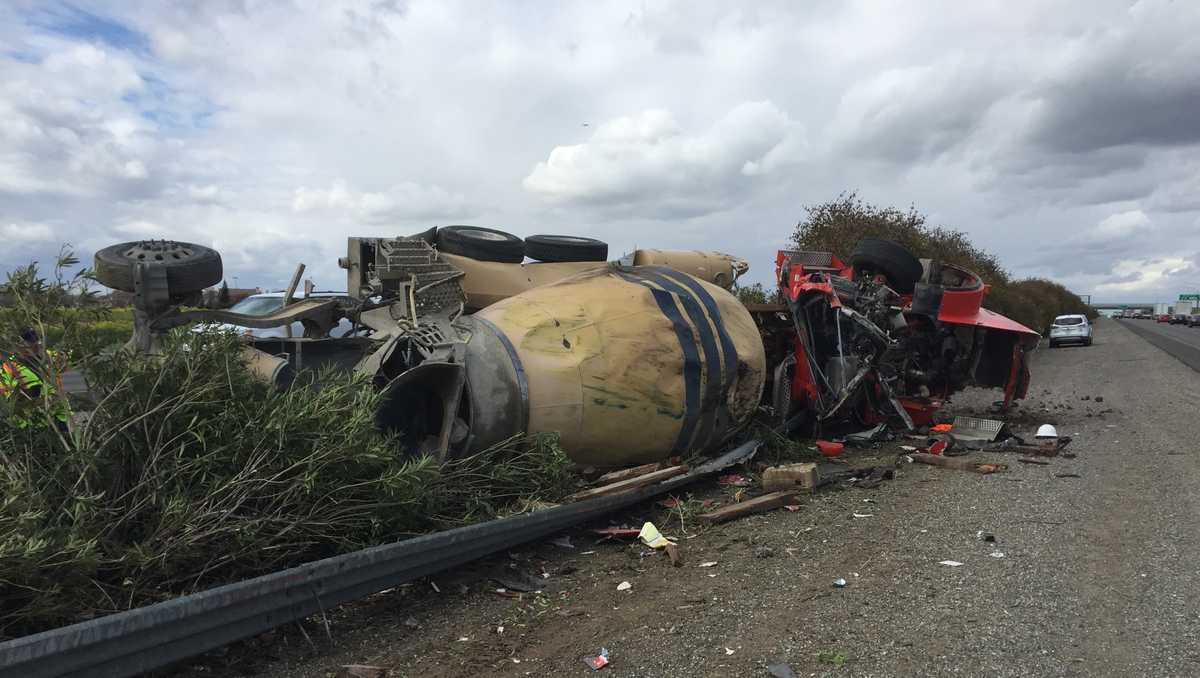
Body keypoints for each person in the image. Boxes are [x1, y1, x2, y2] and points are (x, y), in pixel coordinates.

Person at [1, 328, 69, 430]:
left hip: (59, 417)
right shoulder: (9, 366)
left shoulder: (49, 357)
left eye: (36, 343)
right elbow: (5, 397)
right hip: (30, 425)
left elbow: (65, 359)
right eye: (28, 344)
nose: (35, 347)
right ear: (17, 346)